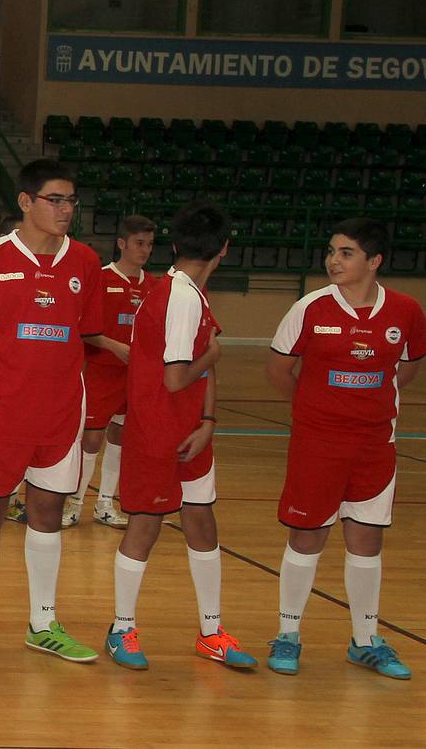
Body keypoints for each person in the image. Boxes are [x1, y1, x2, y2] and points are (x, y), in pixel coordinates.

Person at [0, 158, 105, 665]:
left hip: (60, 412)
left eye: (70, 200)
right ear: (26, 202)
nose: (65, 209)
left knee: (48, 512)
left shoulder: (86, 262)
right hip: (0, 411)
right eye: (55, 199)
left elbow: (86, 335)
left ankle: (43, 623)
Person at [265, 217, 425, 679]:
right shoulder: (309, 308)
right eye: (331, 251)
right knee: (307, 536)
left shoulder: (406, 311)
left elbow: (407, 368)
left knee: (367, 539)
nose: (333, 260)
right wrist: (315, 408)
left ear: (374, 261)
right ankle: (288, 633)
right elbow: (278, 370)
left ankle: (365, 639)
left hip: (376, 444)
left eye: (346, 252)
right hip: (317, 443)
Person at [105, 202, 256, 671]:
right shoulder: (180, 297)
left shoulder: (192, 292)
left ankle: (212, 632)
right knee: (145, 526)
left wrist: (208, 421)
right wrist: (212, 356)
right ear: (224, 248)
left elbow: (200, 370)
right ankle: (121, 629)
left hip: (190, 433)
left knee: (201, 523)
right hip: (157, 431)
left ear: (173, 244)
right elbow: (176, 377)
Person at [72, 215, 156, 529]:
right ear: (122, 243)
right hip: (101, 372)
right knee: (91, 439)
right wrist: (113, 346)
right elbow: (83, 329)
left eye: (149, 244)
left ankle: (105, 504)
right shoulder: (102, 279)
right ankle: (75, 503)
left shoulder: (154, 286)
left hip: (134, 378)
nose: (145, 250)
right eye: (139, 243)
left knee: (120, 436)